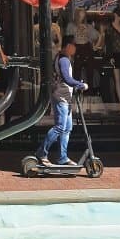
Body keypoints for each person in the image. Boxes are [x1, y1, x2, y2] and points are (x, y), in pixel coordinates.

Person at [38, 36, 88, 166]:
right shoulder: (64, 60)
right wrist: (80, 84)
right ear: (68, 46)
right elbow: (67, 79)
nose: (76, 48)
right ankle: (41, 153)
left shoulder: (62, 57)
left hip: (65, 98)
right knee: (60, 127)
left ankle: (63, 157)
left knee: (66, 128)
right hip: (61, 98)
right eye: (74, 45)